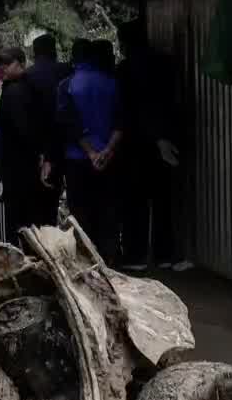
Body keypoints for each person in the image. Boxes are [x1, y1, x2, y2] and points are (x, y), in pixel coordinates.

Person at [117, 17, 188, 271]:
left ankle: (136, 255)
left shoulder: (125, 70)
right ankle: (164, 253)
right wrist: (165, 137)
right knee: (163, 200)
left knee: (135, 201)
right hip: (166, 141)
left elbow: (129, 110)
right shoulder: (166, 63)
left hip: (136, 145)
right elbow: (173, 102)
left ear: (124, 42)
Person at [57, 38, 125, 262]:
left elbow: (69, 123)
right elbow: (121, 121)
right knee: (108, 210)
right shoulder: (113, 83)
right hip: (110, 159)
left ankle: (86, 261)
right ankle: (111, 260)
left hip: (79, 159)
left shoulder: (67, 85)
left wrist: (91, 152)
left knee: (81, 213)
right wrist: (107, 150)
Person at [0, 46, 50, 236]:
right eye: (0, 64)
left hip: (17, 168)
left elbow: (24, 131)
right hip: (25, 165)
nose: (2, 68)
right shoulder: (23, 87)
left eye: (7, 63)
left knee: (13, 219)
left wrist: (37, 153)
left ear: (21, 64)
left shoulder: (15, 92)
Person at [23, 34, 72, 227]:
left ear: (35, 52)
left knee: (38, 199)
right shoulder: (67, 71)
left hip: (38, 145)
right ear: (54, 50)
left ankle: (41, 239)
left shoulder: (28, 75)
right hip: (67, 143)